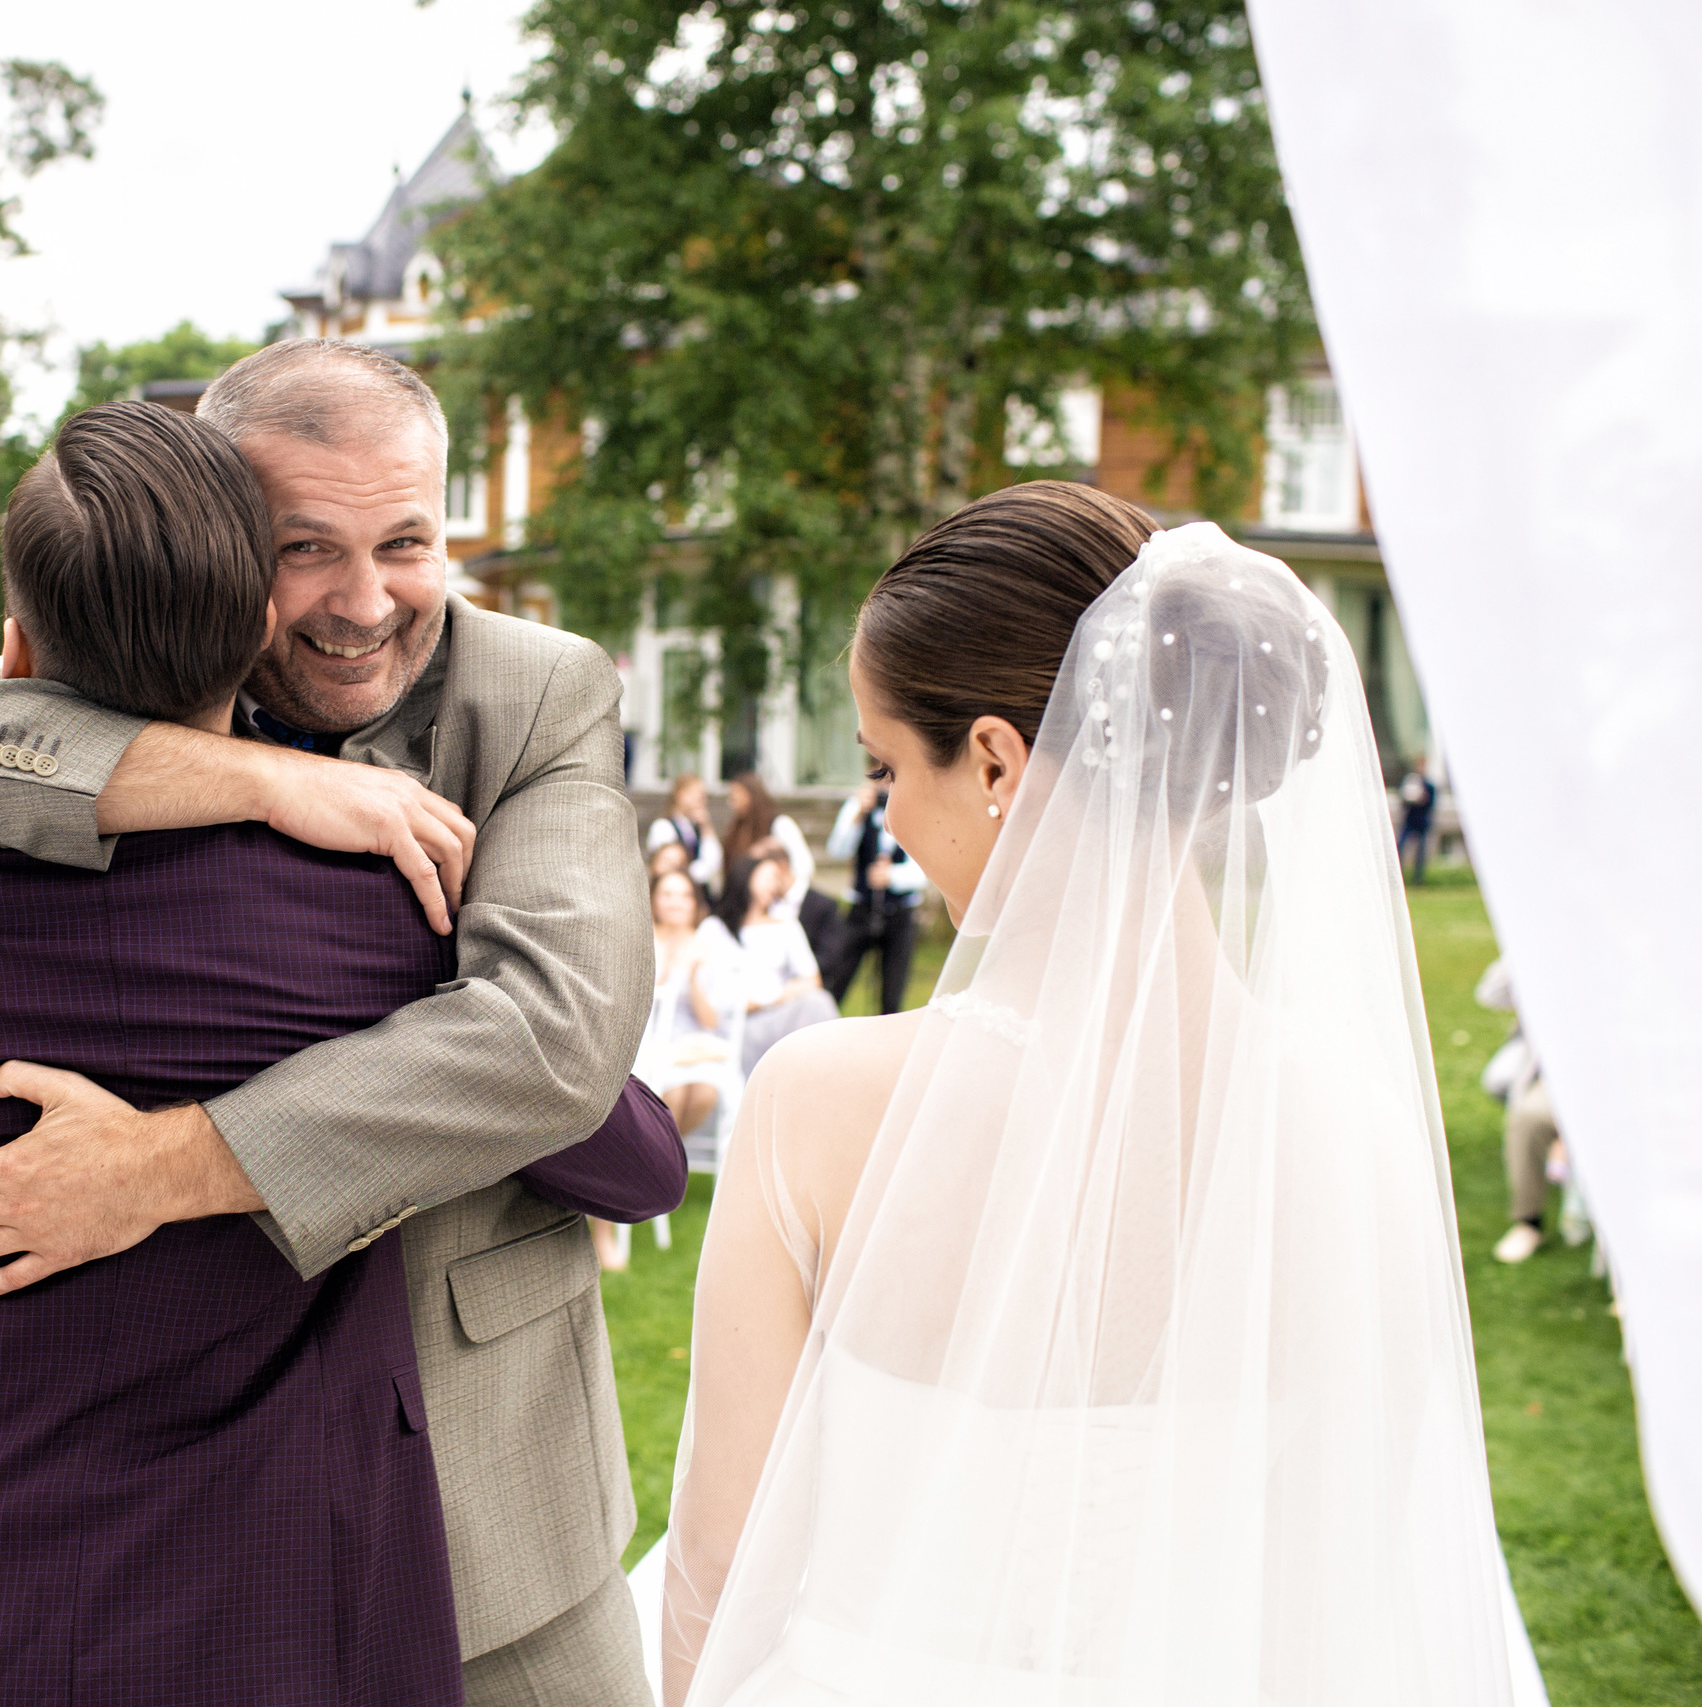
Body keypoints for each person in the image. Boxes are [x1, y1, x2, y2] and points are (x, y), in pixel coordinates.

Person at [0, 404, 686, 1704]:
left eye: (408, 539)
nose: (362, 601)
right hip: (295, 1563)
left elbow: (550, 1043)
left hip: (451, 1498)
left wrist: (162, 1165)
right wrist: (255, 781)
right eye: (308, 545)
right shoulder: (387, 917)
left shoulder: (535, 692)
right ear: (242, 577)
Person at [652, 483, 1515, 1705]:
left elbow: (720, 1568)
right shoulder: (1357, 1136)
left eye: (884, 762)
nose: (888, 811)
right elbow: (1350, 1577)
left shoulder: (818, 1105)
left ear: (995, 757)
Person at [632, 867, 742, 1156]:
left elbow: (711, 1020)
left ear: (694, 902)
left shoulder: (705, 946)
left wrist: (692, 978)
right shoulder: (640, 940)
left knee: (706, 1091)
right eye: (667, 894)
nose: (675, 902)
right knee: (674, 1093)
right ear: (653, 900)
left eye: (684, 895)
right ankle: (657, 1162)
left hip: (691, 1045)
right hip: (646, 1041)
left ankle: (661, 1157)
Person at [1477, 957, 1564, 1264]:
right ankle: (1529, 1221)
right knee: (1527, 1117)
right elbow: (1491, 994)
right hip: (1558, 1073)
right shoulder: (1549, 951)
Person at [725, 849, 834, 1081]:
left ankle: (827, 1077)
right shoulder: (717, 929)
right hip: (735, 1019)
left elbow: (811, 979)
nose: (773, 885)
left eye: (777, 879)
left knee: (818, 1002)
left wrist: (770, 999)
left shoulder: (786, 924)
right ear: (747, 877)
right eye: (767, 877)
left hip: (776, 1012)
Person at [821, 781, 926, 1012]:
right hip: (861, 908)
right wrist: (858, 814)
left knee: (892, 992)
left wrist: (892, 876)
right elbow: (837, 850)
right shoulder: (858, 807)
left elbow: (924, 870)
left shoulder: (915, 806)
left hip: (900, 912)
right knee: (835, 980)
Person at [722, 773, 815, 919]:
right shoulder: (736, 828)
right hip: (744, 907)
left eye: (737, 795)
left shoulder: (779, 824)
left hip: (775, 906)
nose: (733, 801)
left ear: (751, 796)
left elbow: (805, 866)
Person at [648, 773, 726, 901]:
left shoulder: (697, 827)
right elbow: (664, 865)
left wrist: (706, 827)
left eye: (703, 796)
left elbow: (715, 861)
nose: (701, 800)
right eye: (696, 794)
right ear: (680, 794)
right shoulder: (663, 826)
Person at [1398, 753, 1438, 881]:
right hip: (1409, 820)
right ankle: (1399, 877)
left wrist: (1423, 799)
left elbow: (1431, 804)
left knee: (1420, 854)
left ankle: (1418, 879)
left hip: (1422, 821)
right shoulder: (1409, 781)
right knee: (1400, 847)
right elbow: (1403, 801)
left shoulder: (1429, 785)